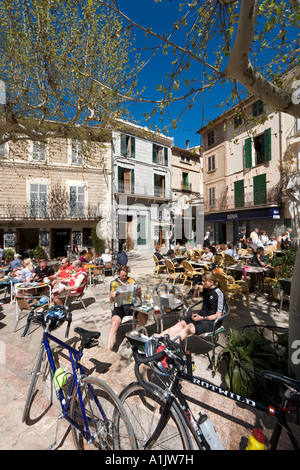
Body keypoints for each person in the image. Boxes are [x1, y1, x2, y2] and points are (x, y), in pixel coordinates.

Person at [156, 272, 225, 340]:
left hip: (211, 322)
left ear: (211, 282)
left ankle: (169, 346)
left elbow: (218, 316)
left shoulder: (219, 294)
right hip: (200, 316)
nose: (202, 283)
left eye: (204, 281)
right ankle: (158, 339)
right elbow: (195, 296)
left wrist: (202, 318)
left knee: (187, 328)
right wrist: (196, 289)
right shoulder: (207, 289)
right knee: (180, 324)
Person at [107, 265, 147, 351]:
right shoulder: (114, 283)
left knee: (144, 317)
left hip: (130, 305)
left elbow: (139, 296)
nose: (124, 277)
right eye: (122, 276)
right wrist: (112, 296)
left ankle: (134, 336)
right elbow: (111, 301)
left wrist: (139, 292)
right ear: (118, 274)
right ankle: (108, 350)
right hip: (119, 307)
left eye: (126, 275)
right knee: (114, 324)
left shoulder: (132, 281)